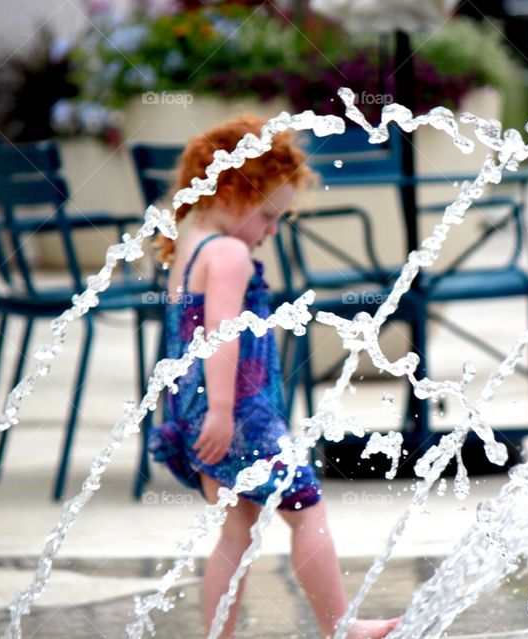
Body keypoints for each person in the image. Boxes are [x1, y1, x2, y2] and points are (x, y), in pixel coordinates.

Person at [150, 115, 400, 639]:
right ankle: (342, 629)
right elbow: (221, 334)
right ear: (231, 192)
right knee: (307, 509)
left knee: (235, 531)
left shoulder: (192, 240)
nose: (270, 231)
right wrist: (223, 411)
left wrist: (208, 411)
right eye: (267, 216)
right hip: (238, 414)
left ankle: (220, 635)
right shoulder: (228, 253)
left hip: (193, 408)